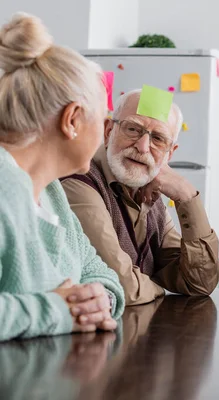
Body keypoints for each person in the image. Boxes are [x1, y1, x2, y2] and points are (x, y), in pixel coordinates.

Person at [0, 13, 125, 341]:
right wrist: (57, 311)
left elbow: (100, 274)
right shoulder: (4, 187)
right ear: (72, 120)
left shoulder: (52, 192)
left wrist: (102, 300)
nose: (104, 136)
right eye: (102, 121)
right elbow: (59, 307)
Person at [61, 90, 219, 306]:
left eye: (158, 139)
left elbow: (199, 284)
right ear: (108, 131)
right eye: (133, 129)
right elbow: (121, 287)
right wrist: (158, 288)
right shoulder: (80, 180)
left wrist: (187, 196)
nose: (142, 147)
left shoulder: (148, 190)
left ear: (170, 153)